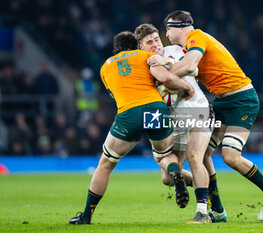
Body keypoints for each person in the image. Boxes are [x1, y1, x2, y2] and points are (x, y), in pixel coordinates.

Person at [148, 10, 263, 222]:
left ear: (180, 26)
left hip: (242, 100)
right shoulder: (185, 48)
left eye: (168, 28)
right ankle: (218, 211)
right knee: (202, 156)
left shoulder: (197, 37)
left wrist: (164, 74)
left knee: (230, 156)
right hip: (221, 102)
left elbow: (191, 65)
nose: (167, 34)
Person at [69, 31, 195, 224]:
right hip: (155, 108)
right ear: (136, 45)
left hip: (129, 113)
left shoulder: (105, 67)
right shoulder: (146, 56)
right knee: (163, 155)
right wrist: (186, 87)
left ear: (115, 50)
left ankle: (86, 215)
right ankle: (174, 172)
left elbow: (113, 94)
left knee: (106, 164)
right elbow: (165, 78)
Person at [135, 24, 226, 224]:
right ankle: (211, 196)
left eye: (156, 39)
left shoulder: (175, 50)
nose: (155, 44)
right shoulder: (143, 67)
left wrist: (167, 62)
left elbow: (193, 67)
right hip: (175, 122)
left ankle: (202, 211)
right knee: (167, 178)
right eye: (149, 42)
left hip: (199, 110)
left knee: (195, 156)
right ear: (140, 47)